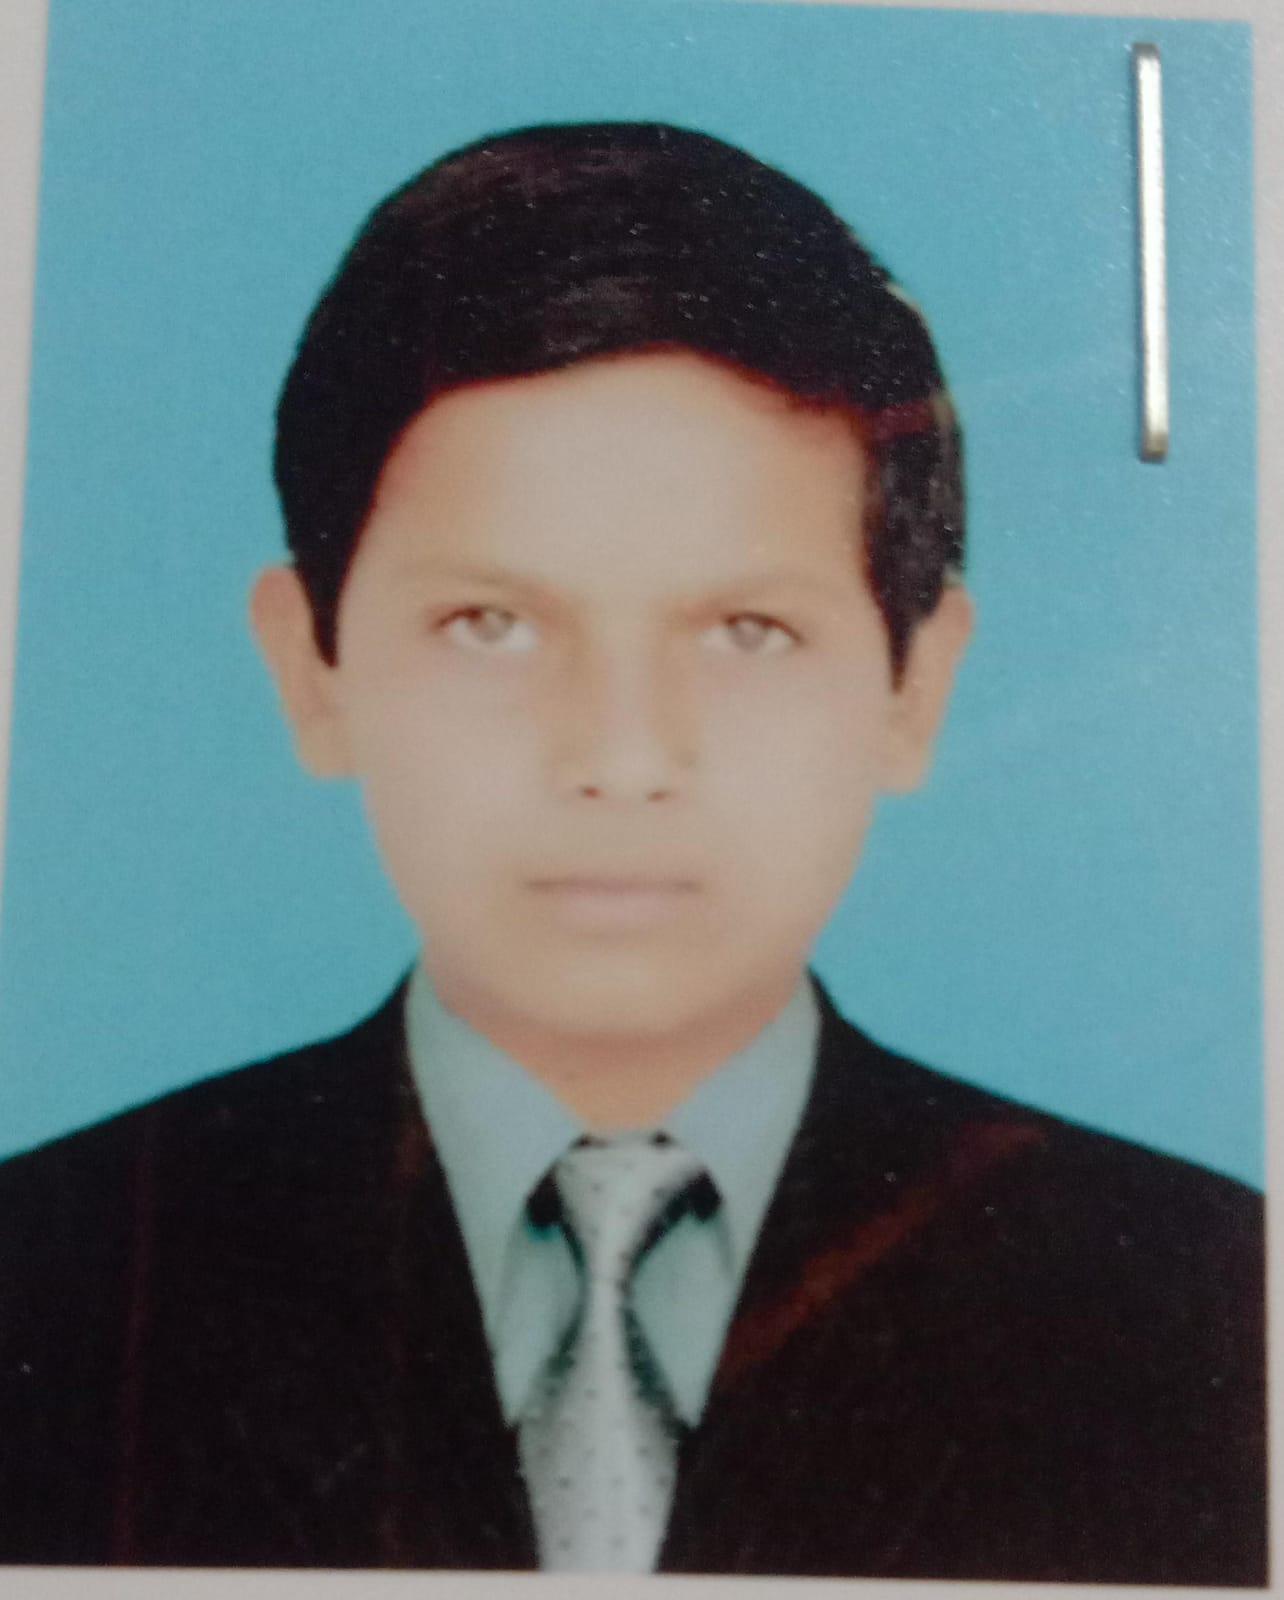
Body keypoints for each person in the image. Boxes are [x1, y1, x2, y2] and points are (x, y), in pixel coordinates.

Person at [0, 122, 1265, 1582]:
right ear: (313, 668)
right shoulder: (52, 1273)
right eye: (491, 624)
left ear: (915, 686)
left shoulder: (1216, 1300)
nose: (620, 757)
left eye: (749, 632)